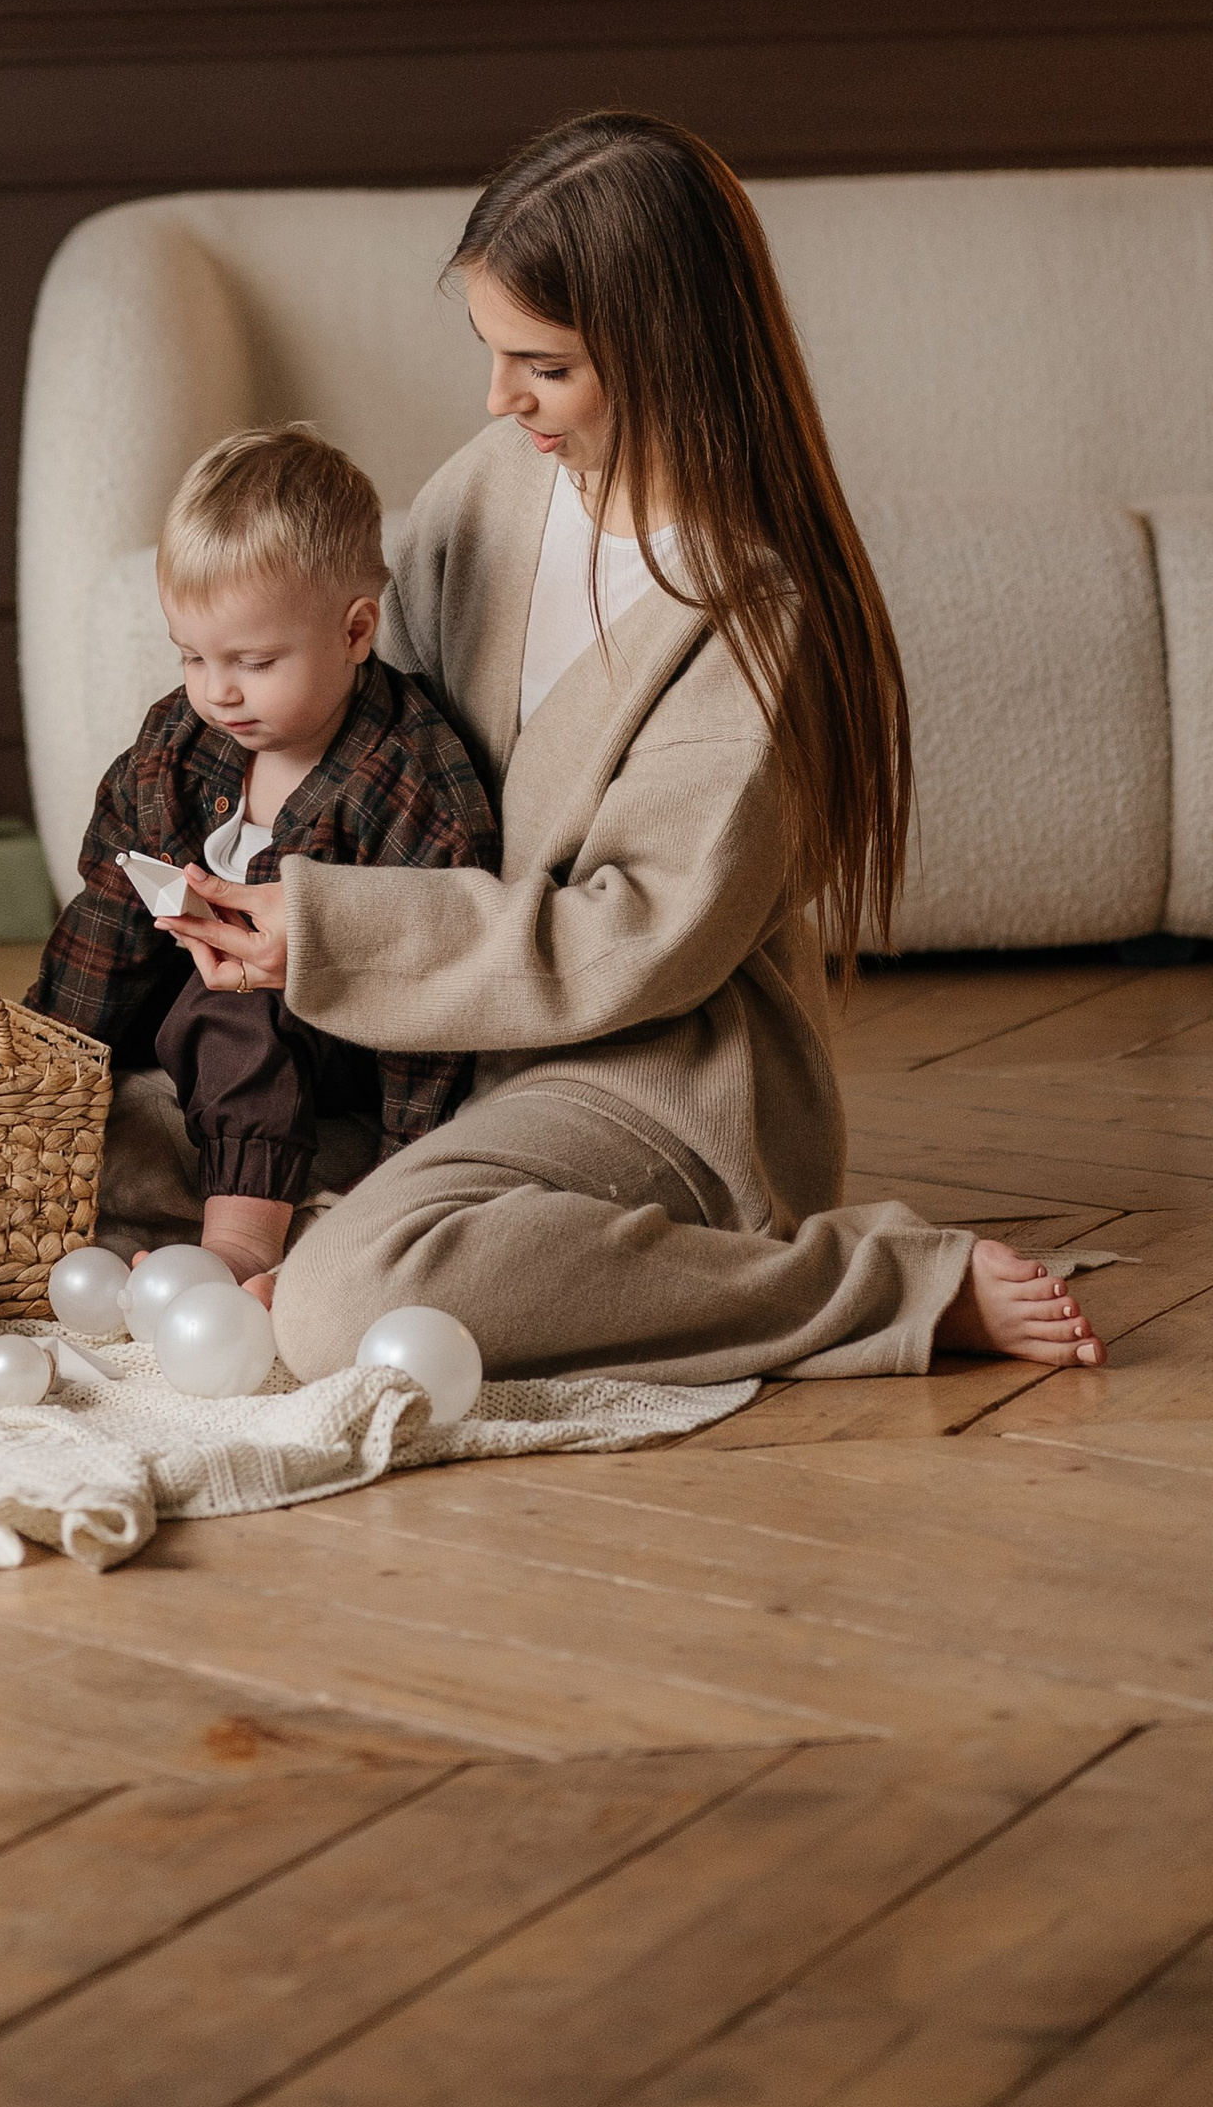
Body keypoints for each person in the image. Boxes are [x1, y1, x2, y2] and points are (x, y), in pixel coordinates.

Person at [165, 114, 1107, 1388]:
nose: (499, 399)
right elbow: (381, 740)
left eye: (539, 367)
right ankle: (454, 1220)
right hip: (441, 1046)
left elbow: (636, 938)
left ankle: (878, 1285)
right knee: (136, 1141)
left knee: (350, 1302)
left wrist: (327, 935)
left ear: (661, 354)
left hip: (654, 1068)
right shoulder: (491, 488)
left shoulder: (752, 615)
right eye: (492, 354)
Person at [32, 425, 491, 1293]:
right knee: (174, 976)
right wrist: (41, 1068)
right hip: (192, 1025)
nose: (218, 691)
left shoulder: (412, 786)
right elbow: (103, 923)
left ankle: (244, 1236)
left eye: (254, 661)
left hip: (344, 1036)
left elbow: (437, 1003)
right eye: (193, 655)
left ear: (356, 632)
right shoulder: (177, 745)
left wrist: (405, 1181)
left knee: (236, 983)